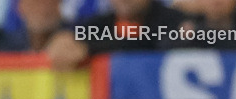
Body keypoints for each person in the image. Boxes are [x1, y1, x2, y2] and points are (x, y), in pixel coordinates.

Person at [47, 0, 187, 69]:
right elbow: (71, 40)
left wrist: (89, 49)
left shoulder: (176, 20)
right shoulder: (100, 24)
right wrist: (65, 41)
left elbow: (147, 41)